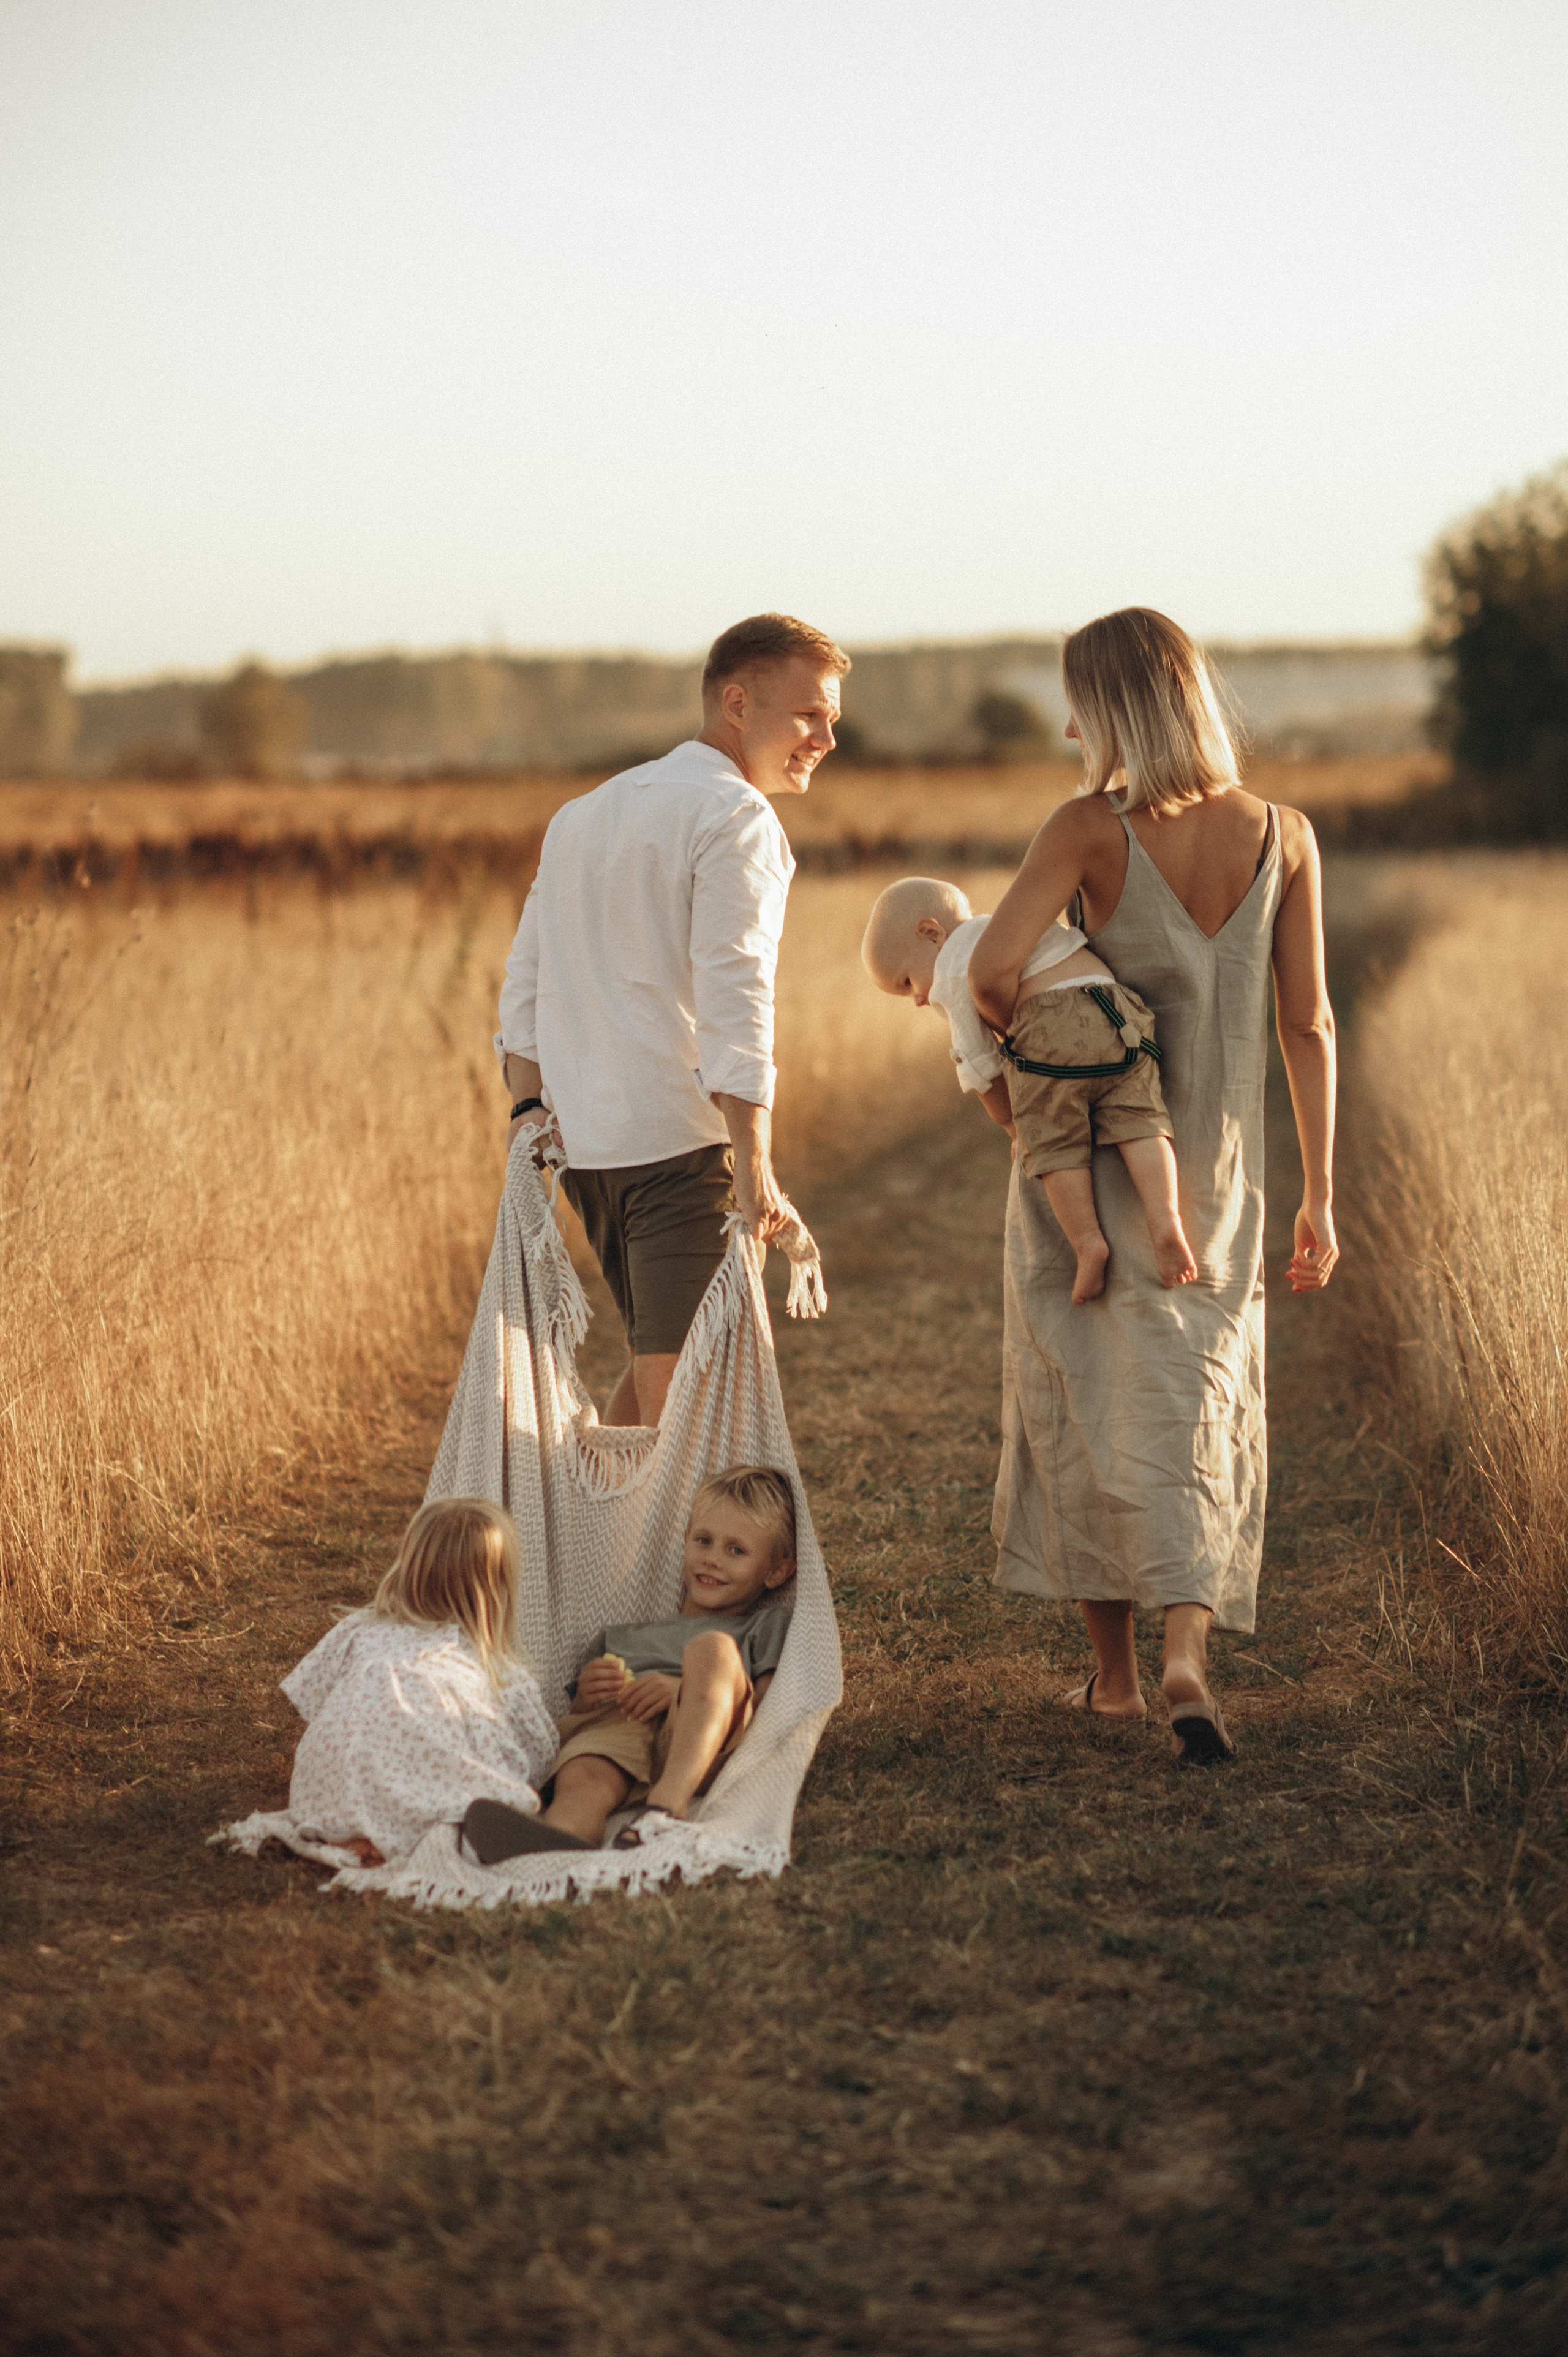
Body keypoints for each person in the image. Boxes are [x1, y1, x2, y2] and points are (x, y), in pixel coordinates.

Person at [968, 608, 1337, 1763]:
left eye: (1082, 701)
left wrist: (1038, 1050)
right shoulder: (1287, 834)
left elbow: (988, 967)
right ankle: (1192, 1650)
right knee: (1200, 1396)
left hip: (1089, 1163)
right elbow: (1310, 1023)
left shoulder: (1087, 829)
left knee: (1084, 1396)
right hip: (1219, 1175)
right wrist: (1322, 1193)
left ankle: (1119, 1680)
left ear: (1120, 709)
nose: (1072, 723)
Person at [495, 614, 849, 1428]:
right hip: (679, 1152)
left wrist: (527, 1114)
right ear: (737, 702)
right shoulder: (739, 819)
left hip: (586, 1149)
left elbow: (525, 985)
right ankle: (634, 1557)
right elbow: (737, 1000)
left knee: (669, 1374)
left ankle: (600, 1547)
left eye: (832, 718)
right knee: (691, 1408)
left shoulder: (584, 812)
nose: (827, 737)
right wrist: (755, 1166)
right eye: (809, 714)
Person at [861, 875, 1197, 1302]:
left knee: (1053, 1143)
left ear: (932, 934)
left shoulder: (952, 965)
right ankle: (1166, 1219)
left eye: (907, 982)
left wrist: (1017, 1128)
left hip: (1051, 1022)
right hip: (1118, 1012)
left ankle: (1089, 1243)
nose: (917, 1000)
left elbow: (980, 1063)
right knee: (1141, 1121)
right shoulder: (1010, 924)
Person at [461, 1465, 796, 1863]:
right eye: (703, 1541)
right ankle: (557, 1838)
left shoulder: (763, 1626)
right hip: (620, 1723)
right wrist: (588, 1694)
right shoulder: (620, 1636)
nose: (712, 1560)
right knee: (585, 1778)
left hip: (700, 1734)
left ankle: (664, 1809)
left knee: (713, 1649)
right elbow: (579, 1713)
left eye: (736, 1550)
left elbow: (771, 1704)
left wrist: (685, 1691)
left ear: (776, 1572)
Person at [280, 1498, 560, 1868]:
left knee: (405, 1761)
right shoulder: (498, 1669)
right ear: (498, 1590)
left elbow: (310, 1701)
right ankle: (408, 1833)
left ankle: (359, 1831)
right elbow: (540, 1753)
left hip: (321, 1797)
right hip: (413, 1791)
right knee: (500, 1790)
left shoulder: (359, 1630)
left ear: (408, 1566)